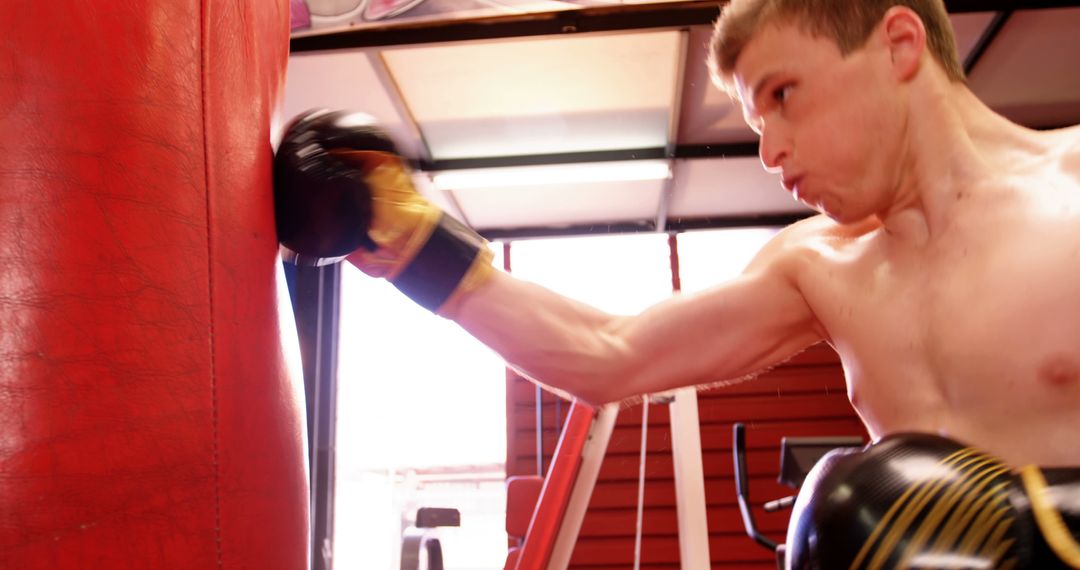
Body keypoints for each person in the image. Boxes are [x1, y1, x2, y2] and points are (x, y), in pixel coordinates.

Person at [274, 1, 1080, 565]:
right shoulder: (821, 267)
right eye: (756, 123)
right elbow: (609, 352)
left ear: (899, 45)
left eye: (783, 96)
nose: (770, 154)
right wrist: (415, 242)